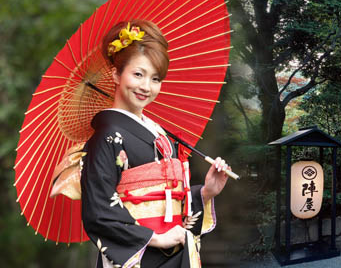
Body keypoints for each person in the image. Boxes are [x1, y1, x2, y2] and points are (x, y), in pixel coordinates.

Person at [80, 19, 230, 268]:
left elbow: (169, 197)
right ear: (116, 73)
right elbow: (98, 212)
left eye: (155, 79)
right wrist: (155, 238)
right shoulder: (106, 138)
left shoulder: (158, 132)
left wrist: (205, 192)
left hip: (174, 247)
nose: (146, 87)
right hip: (139, 256)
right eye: (138, 74)